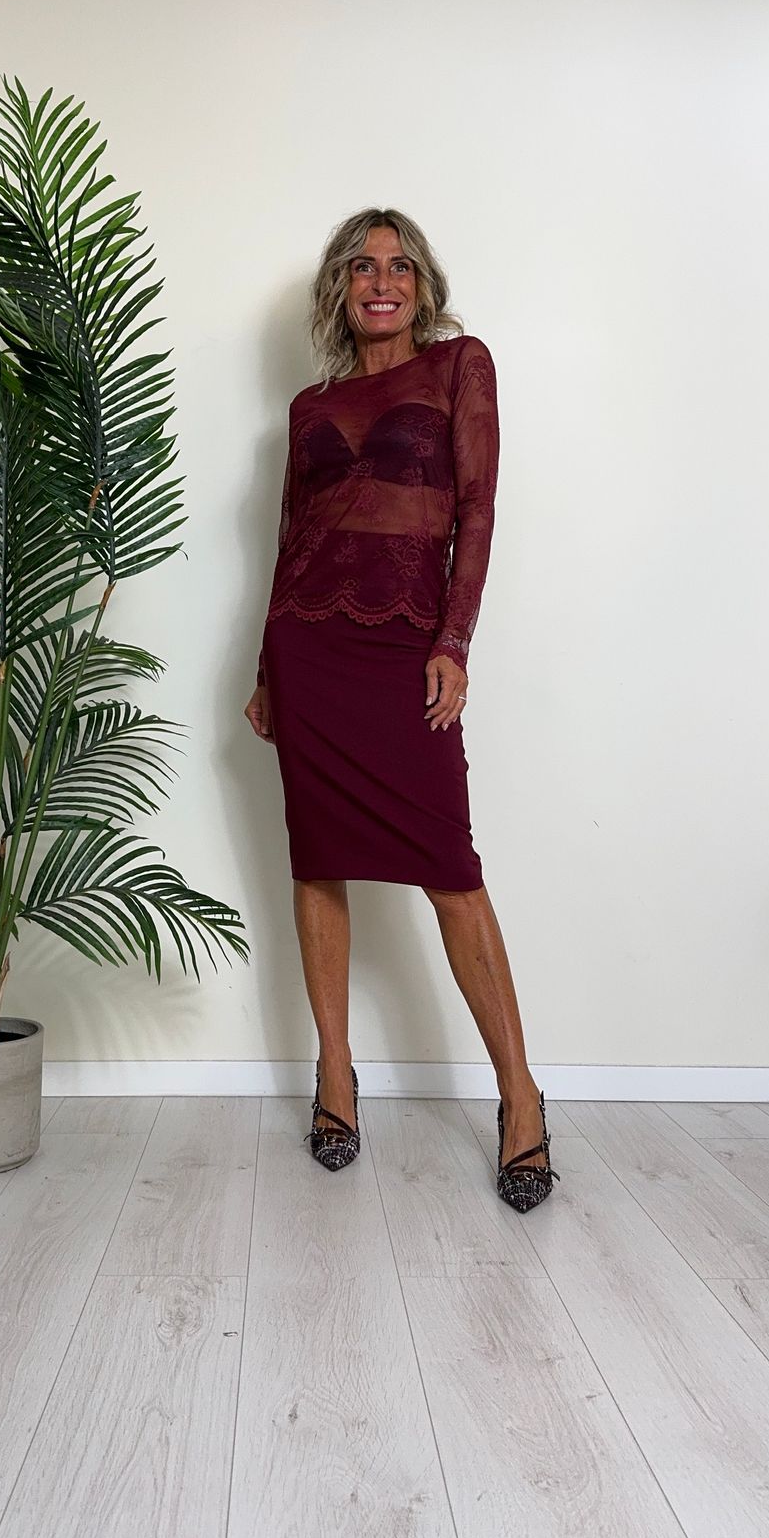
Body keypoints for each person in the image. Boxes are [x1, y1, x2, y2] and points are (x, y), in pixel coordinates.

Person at [244, 207, 559, 1210]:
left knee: (450, 872)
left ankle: (520, 1098)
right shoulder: (308, 406)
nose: (380, 281)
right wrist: (264, 671)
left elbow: (476, 509)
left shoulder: (459, 366)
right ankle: (335, 1075)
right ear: (338, 288)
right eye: (361, 267)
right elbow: (289, 539)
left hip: (403, 647)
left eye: (399, 267)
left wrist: (452, 642)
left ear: (421, 286)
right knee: (317, 860)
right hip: (307, 650)